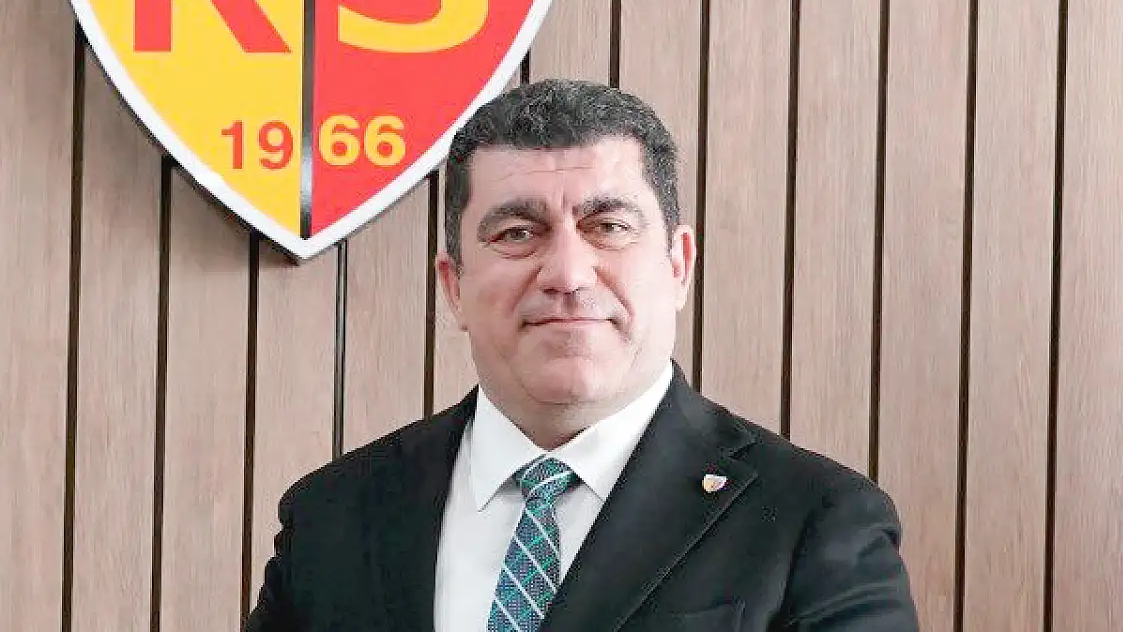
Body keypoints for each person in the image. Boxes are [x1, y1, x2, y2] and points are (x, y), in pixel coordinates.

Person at [244, 79, 919, 631]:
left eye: (609, 227)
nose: (567, 273)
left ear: (678, 267)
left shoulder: (815, 521)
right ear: (454, 287)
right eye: (517, 232)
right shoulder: (333, 517)